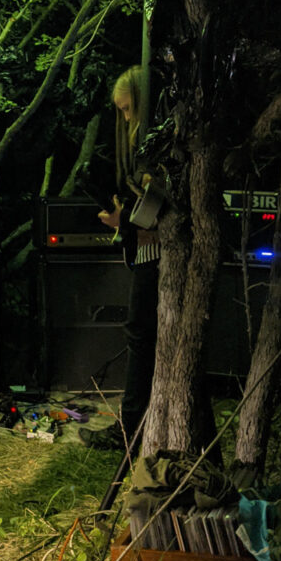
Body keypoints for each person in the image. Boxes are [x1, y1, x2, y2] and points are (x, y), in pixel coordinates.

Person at [97, 65, 160, 447]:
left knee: (140, 333)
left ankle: (131, 428)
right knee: (142, 334)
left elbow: (159, 209)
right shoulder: (143, 144)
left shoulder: (159, 143)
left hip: (156, 252)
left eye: (127, 109)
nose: (125, 118)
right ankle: (136, 423)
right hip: (146, 248)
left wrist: (124, 221)